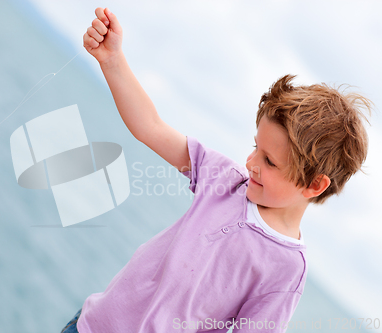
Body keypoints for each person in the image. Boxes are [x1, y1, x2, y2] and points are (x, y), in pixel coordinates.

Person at [61, 7, 372, 333]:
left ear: (314, 185)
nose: (251, 163)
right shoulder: (227, 180)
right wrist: (112, 60)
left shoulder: (286, 270)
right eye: (256, 148)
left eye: (269, 161)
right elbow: (151, 127)